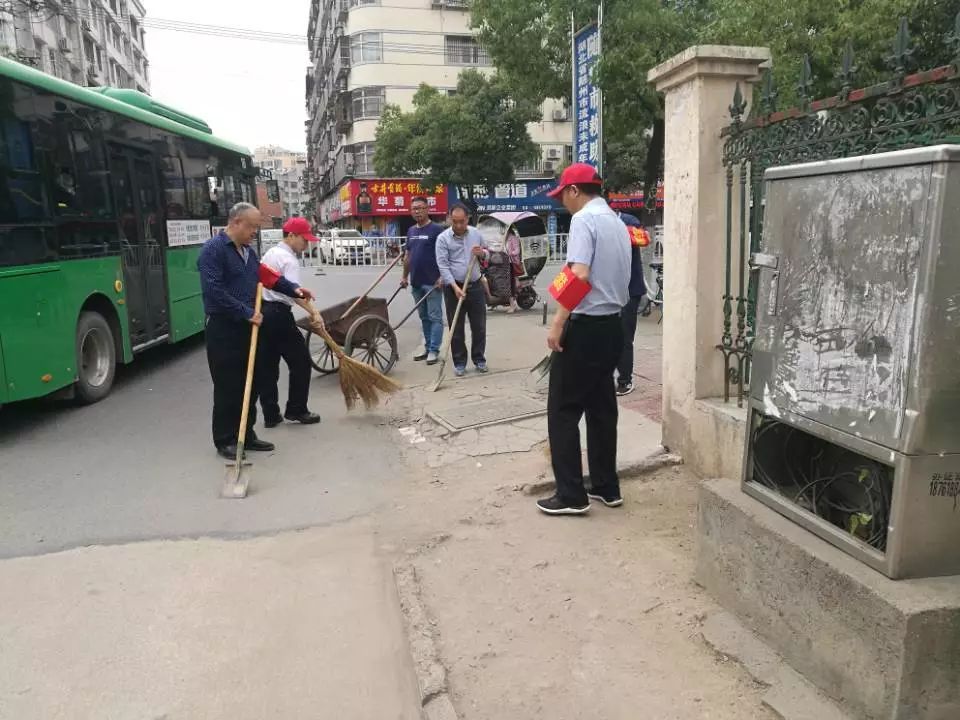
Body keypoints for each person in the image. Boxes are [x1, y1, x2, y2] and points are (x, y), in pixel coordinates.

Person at [536, 164, 631, 516]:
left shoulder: (583, 220)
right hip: (613, 326)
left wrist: (557, 323)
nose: (562, 202)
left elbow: (579, 273)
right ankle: (606, 485)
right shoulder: (617, 222)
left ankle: (571, 495)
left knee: (562, 410)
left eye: (562, 195)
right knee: (601, 408)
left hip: (586, 328)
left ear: (574, 190)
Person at [198, 202, 314, 460]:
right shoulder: (213, 250)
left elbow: (267, 276)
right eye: (252, 226)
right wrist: (245, 311)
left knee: (251, 383)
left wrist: (294, 290)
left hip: (249, 327)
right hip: (224, 328)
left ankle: (246, 434)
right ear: (236, 222)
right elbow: (214, 291)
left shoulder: (248, 252)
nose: (255, 232)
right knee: (228, 386)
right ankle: (226, 439)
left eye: (257, 227)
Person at [257, 217, 325, 429]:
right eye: (304, 240)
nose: (306, 245)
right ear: (291, 236)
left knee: (268, 365)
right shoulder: (289, 259)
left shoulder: (270, 253)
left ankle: (271, 414)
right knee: (301, 362)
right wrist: (314, 312)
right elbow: (294, 293)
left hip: (263, 313)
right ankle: (297, 409)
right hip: (279, 314)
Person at [435, 204, 490, 377]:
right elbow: (443, 266)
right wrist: (454, 287)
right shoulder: (443, 239)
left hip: (475, 286)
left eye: (462, 221)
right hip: (453, 288)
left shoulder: (476, 234)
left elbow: (488, 254)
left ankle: (479, 359)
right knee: (456, 328)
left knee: (479, 326)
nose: (458, 225)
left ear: (468, 219)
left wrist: (482, 253)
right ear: (449, 219)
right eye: (455, 221)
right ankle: (459, 362)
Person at [400, 196, 445, 365]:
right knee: (424, 317)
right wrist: (404, 277)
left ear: (428, 209)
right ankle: (427, 348)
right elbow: (408, 256)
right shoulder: (411, 231)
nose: (417, 211)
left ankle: (434, 350)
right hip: (416, 282)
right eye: (414, 209)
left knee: (435, 317)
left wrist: (442, 276)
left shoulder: (437, 230)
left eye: (420, 208)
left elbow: (445, 255)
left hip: (433, 282)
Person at [614, 211, 648, 396]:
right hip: (607, 291)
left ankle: (625, 379)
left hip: (629, 290)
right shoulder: (593, 223)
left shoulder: (628, 221)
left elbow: (643, 238)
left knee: (624, 336)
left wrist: (620, 232)